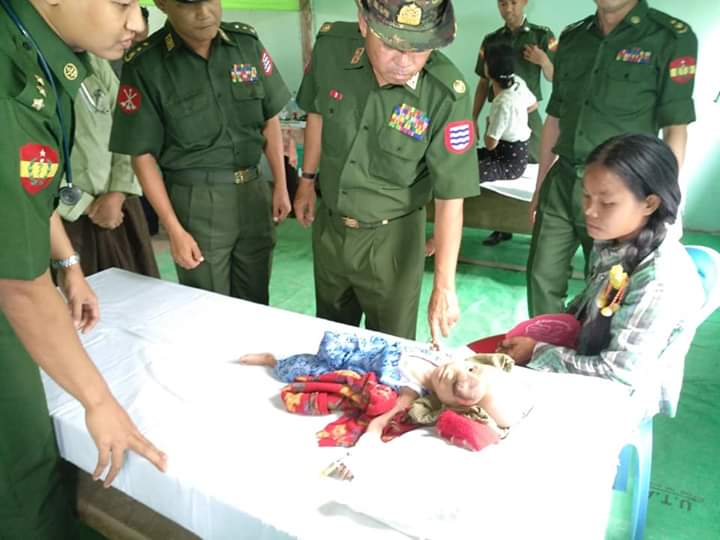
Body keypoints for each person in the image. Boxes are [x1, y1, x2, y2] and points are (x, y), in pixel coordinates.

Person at [0, 1, 166, 537]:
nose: (137, 22)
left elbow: (29, 192)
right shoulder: (12, 83)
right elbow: (19, 287)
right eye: (121, 3)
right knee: (24, 458)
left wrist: (69, 265)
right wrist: (99, 402)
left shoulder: (43, 57)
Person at [293, 0, 480, 342]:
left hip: (393, 242)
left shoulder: (445, 93)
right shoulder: (332, 48)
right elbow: (317, 112)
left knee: (390, 347)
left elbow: (451, 195)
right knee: (332, 338)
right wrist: (307, 180)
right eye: (392, 45)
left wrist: (444, 286)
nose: (405, 61)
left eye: (419, 48)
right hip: (331, 229)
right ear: (364, 23)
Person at [501, 133, 704, 419]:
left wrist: (538, 352)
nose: (590, 211)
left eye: (607, 203)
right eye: (586, 196)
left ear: (649, 204)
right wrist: (544, 338)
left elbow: (618, 374)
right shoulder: (614, 240)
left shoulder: (659, 279)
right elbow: (590, 308)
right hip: (587, 361)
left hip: (619, 399)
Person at [110, 0, 292, 304]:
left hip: (254, 193)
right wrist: (173, 229)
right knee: (207, 306)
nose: (204, 13)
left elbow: (269, 119)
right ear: (163, 4)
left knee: (257, 303)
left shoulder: (245, 44)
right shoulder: (146, 63)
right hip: (197, 202)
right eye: (189, 4)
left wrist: (281, 185)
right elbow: (142, 156)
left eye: (210, 0)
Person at [527, 0, 697, 316]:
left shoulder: (670, 37)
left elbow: (675, 128)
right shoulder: (574, 38)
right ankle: (544, 342)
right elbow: (555, 118)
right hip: (563, 180)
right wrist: (539, 186)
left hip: (622, 192)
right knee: (541, 276)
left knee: (610, 290)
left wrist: (664, 201)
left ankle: (593, 347)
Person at [58, 52, 160, 278]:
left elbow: (127, 123)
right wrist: (83, 205)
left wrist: (119, 191)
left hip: (118, 207)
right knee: (72, 292)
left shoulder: (92, 60)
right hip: (62, 217)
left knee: (133, 288)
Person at [474, 0, 555, 163]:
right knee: (499, 163)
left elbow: (554, 77)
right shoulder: (491, 40)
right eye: (503, 4)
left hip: (528, 115)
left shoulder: (542, 35)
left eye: (513, 2)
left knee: (536, 161)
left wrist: (544, 61)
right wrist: (473, 118)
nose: (508, 9)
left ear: (524, 2)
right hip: (500, 113)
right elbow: (483, 82)